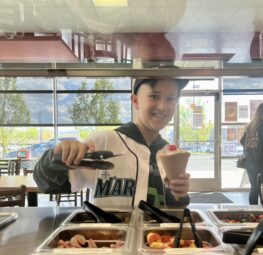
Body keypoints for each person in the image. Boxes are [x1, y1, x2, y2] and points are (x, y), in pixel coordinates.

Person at [33, 76, 190, 208]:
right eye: (154, 96)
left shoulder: (171, 153)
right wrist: (56, 157)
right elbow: (48, 184)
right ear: (135, 101)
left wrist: (180, 195)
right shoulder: (103, 142)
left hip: (157, 242)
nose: (162, 106)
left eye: (170, 98)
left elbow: (173, 207)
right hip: (109, 240)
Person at [240, 103, 263, 205]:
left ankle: (253, 210)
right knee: (260, 187)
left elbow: (242, 141)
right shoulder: (261, 125)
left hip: (249, 162)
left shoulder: (250, 125)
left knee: (254, 187)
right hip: (260, 161)